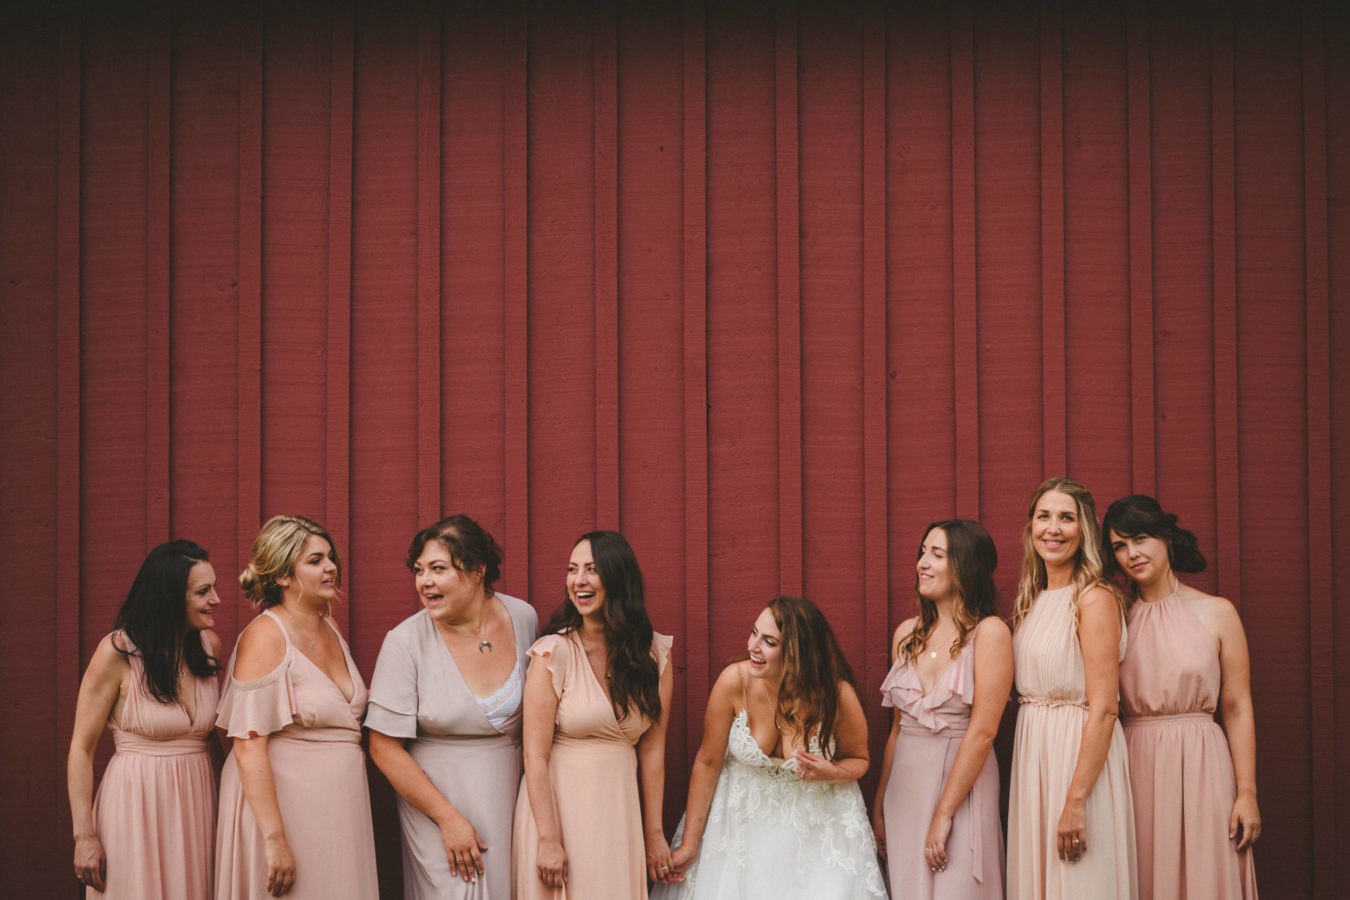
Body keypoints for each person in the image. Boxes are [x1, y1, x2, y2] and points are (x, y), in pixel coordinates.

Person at [652, 595, 887, 899]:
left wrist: (831, 771)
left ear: (798, 652)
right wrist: (690, 844)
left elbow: (860, 759)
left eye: (769, 642)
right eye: (754, 633)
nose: (753, 646)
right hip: (741, 827)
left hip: (815, 830)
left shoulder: (836, 694)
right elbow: (708, 762)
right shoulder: (734, 682)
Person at [367, 515, 539, 899]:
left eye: (438, 569)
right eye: (419, 570)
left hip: (508, 797)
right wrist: (448, 819)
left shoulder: (523, 618)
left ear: (479, 570)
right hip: (435, 806)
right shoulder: (405, 642)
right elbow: (382, 747)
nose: (424, 581)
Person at [1104, 494, 1259, 899]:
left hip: (1202, 764)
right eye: (1119, 546)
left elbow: (1237, 707)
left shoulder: (1216, 612)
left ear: (1166, 537)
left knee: (1205, 875)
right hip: (1133, 762)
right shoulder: (1116, 619)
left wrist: (1247, 792)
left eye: (1140, 538)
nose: (1131, 554)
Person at [214, 515, 377, 898]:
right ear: (284, 576)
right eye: (315, 560)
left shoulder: (329, 628)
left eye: (330, 557)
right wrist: (274, 840)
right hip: (286, 813)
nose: (331, 567)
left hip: (337, 809)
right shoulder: (266, 636)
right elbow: (248, 746)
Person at [513, 530, 674, 899]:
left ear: (618, 578)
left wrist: (654, 834)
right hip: (559, 812)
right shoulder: (554, 652)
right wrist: (549, 840)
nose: (578, 580)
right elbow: (534, 755)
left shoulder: (654, 656)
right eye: (572, 569)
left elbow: (652, 751)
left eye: (592, 570)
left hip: (618, 811)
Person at [67, 540, 223, 899]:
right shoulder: (117, 652)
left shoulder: (207, 646)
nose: (216, 599)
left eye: (213, 588)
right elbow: (81, 747)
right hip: (137, 805)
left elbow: (213, 742)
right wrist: (85, 835)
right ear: (169, 597)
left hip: (198, 803)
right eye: (203, 591)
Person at [1007, 478, 1136, 899]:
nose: (1053, 528)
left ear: (1085, 532)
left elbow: (1104, 709)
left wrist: (1076, 799)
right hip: (1035, 760)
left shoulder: (1094, 598)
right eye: (1044, 516)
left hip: (1077, 763)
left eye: (1067, 518)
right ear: (1031, 527)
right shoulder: (1032, 600)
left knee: (1080, 884)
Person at [873, 520, 1012, 898]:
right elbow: (898, 729)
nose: (922, 562)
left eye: (937, 554)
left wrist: (944, 814)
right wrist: (880, 804)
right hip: (905, 789)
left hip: (962, 788)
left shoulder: (990, 633)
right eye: (922, 552)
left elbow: (983, 732)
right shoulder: (906, 633)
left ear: (967, 565)